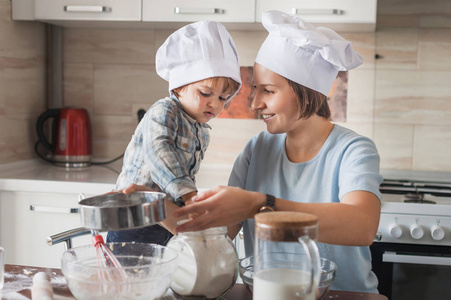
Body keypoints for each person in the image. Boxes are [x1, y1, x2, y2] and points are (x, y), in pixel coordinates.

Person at [171, 11, 383, 294]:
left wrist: (260, 204)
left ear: (306, 91)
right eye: (255, 89)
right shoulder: (257, 149)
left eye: (268, 90)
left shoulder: (353, 150)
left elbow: (362, 225)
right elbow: (215, 235)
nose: (255, 103)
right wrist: (153, 201)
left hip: (344, 296)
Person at [106, 20, 242, 245]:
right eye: (205, 93)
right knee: (129, 276)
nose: (215, 105)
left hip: (164, 216)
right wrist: (189, 196)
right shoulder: (164, 110)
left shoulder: (201, 130)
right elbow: (160, 151)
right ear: (179, 86)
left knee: (163, 275)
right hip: (134, 218)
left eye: (222, 98)